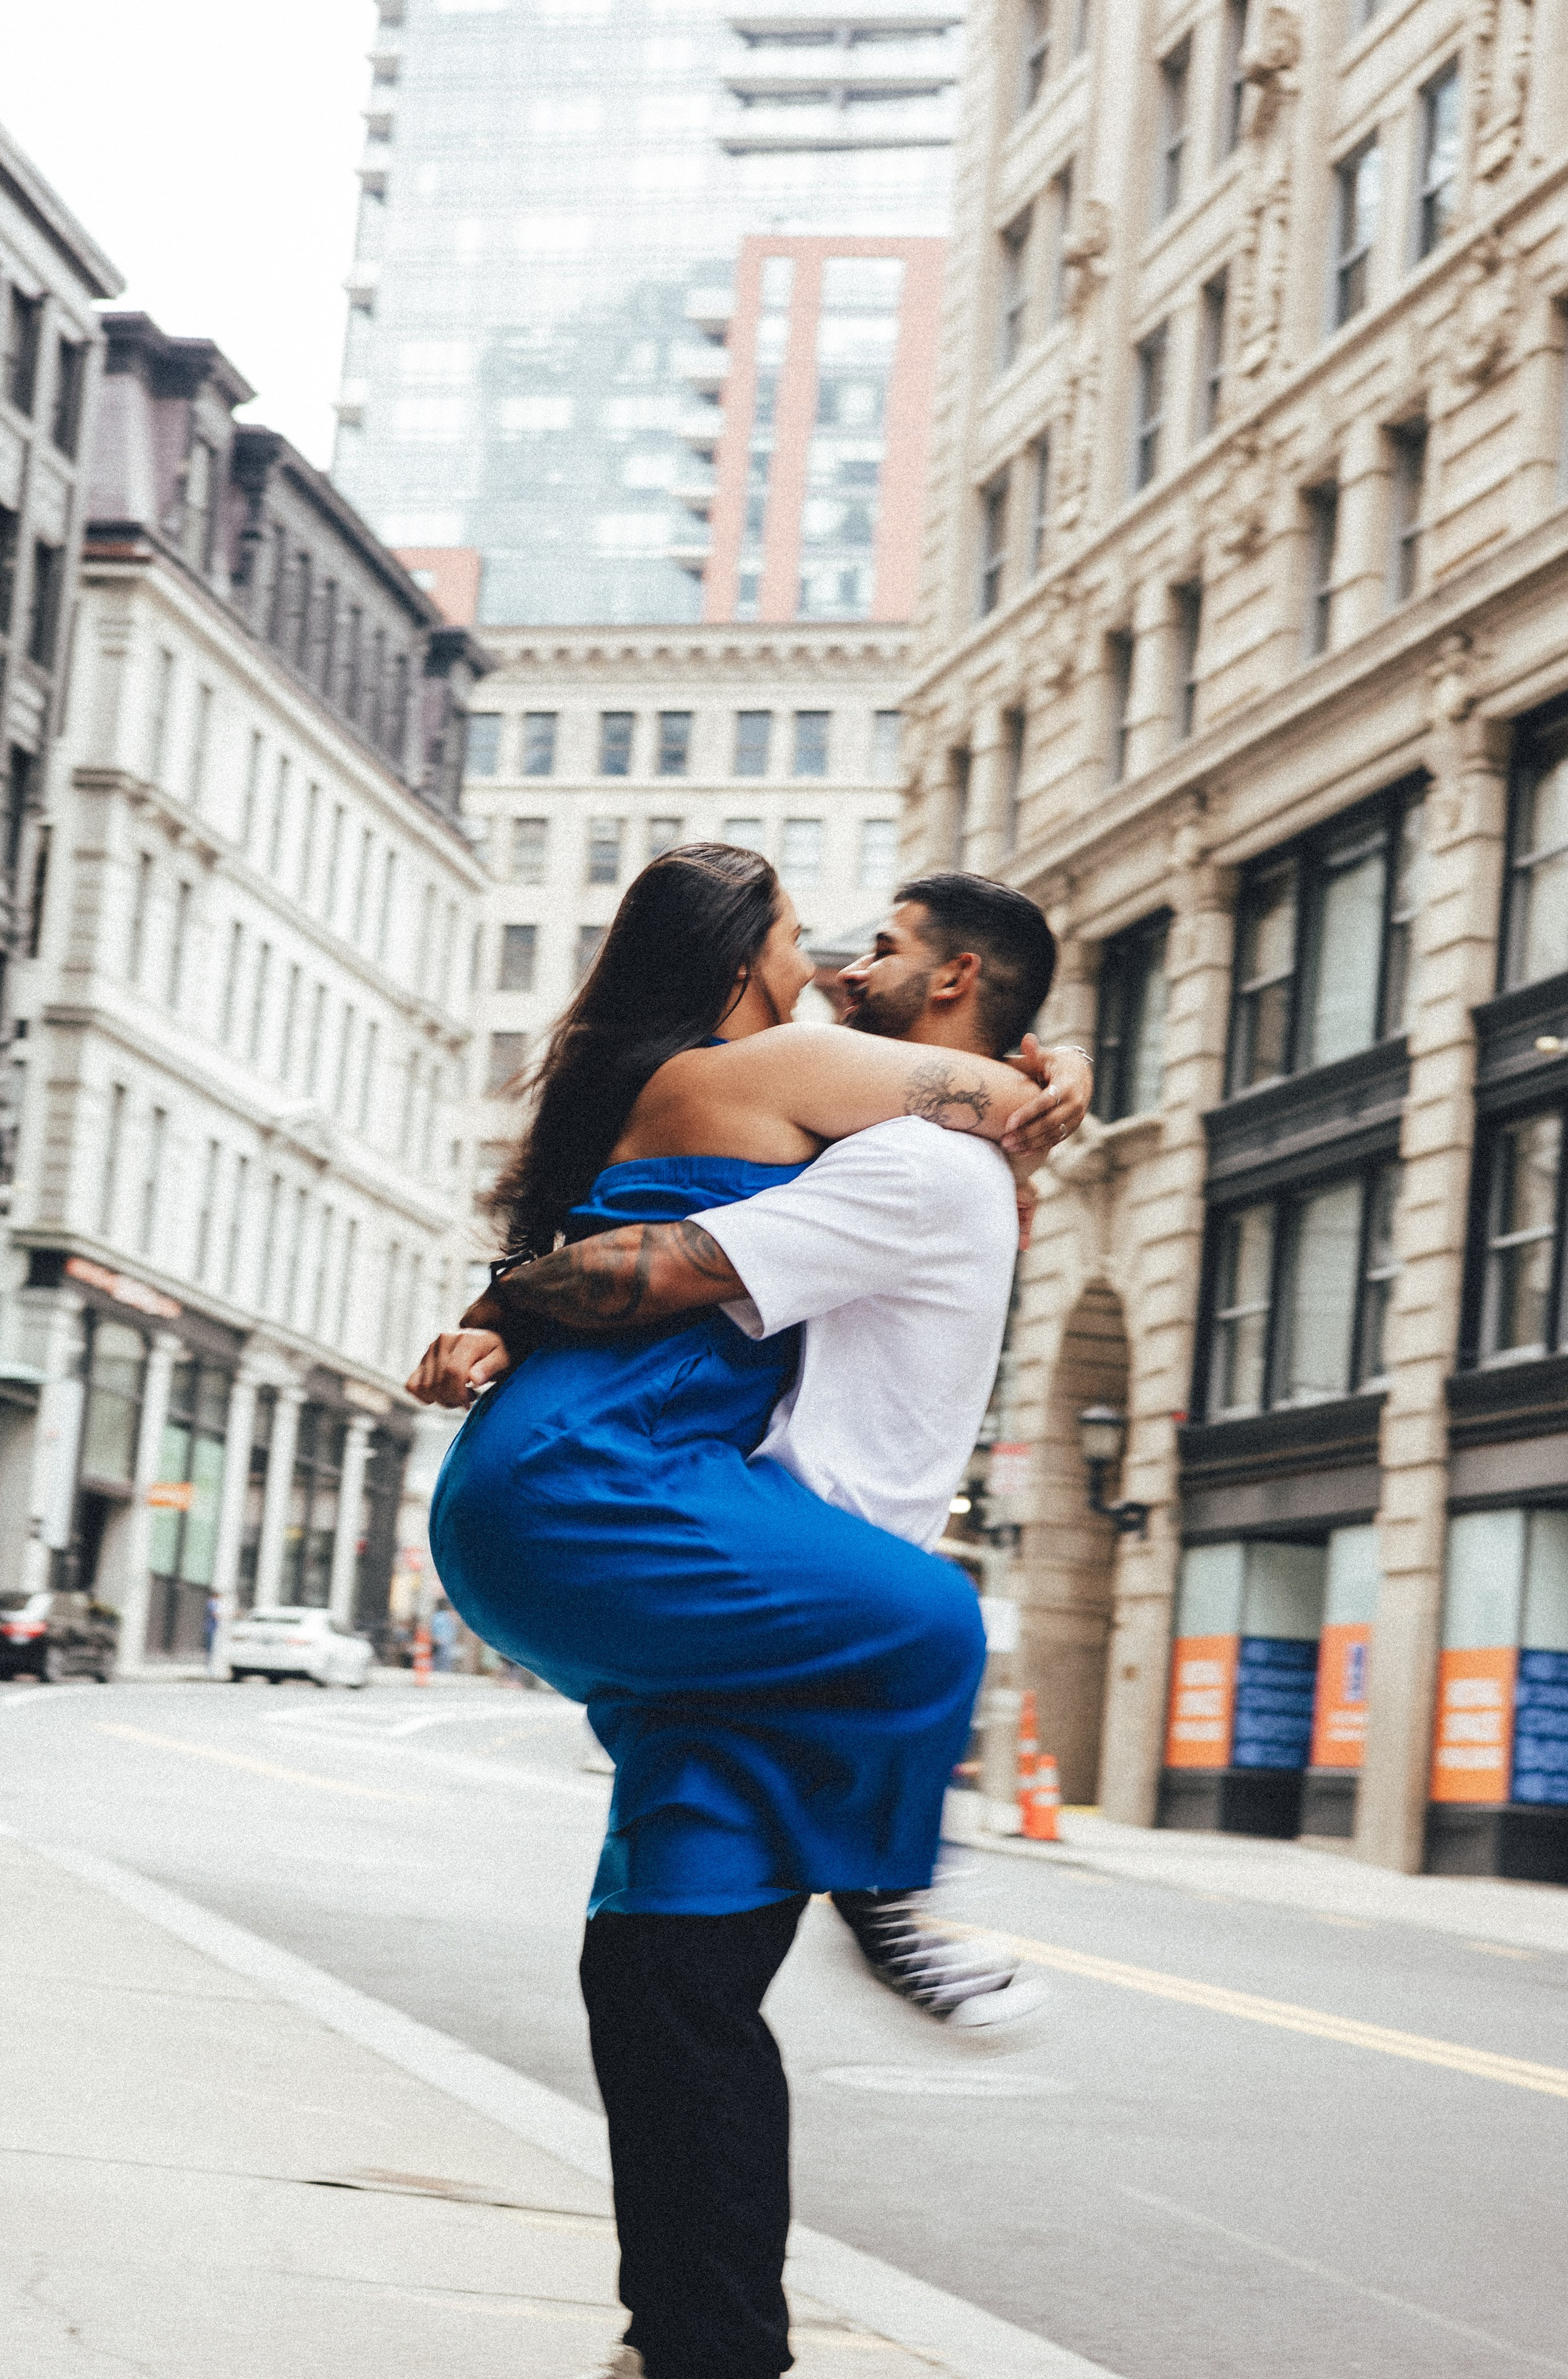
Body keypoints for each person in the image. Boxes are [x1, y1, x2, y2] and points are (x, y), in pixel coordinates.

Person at [410, 849, 1084, 2379]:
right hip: (756, 1576)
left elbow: (656, 1257)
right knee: (926, 1623)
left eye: (881, 948)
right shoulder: (873, 1130)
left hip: (763, 1590)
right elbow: (666, 1265)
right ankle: (884, 1889)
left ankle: (695, 2350)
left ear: (954, 982)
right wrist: (502, 1306)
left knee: (662, 1985)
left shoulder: (907, 1151)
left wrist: (492, 1305)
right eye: (811, 939)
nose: (840, 965)